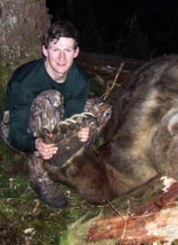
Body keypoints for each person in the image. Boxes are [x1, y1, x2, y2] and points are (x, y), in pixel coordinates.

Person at [0, 21, 110, 208]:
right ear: (45, 50)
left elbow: (71, 116)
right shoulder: (24, 80)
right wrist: (35, 143)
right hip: (18, 129)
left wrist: (80, 131)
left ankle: (67, 153)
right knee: (51, 98)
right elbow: (16, 133)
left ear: (76, 52)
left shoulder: (80, 79)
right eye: (55, 49)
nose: (61, 57)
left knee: (102, 108)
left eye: (67, 50)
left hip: (54, 117)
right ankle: (40, 177)